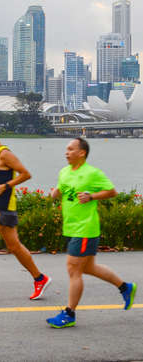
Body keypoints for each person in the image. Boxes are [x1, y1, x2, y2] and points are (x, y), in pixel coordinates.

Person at [46, 137, 137, 328]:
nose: (66, 152)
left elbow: (112, 191)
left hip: (85, 228)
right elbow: (61, 190)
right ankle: (125, 287)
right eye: (66, 149)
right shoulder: (64, 172)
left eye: (71, 149)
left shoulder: (92, 173)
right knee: (88, 268)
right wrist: (55, 193)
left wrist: (92, 196)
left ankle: (69, 314)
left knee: (73, 269)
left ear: (82, 153)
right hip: (71, 227)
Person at [0, 123, 51, 301]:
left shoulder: (5, 154)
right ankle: (40, 278)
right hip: (0, 207)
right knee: (14, 246)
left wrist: (5, 186)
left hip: (2, 207)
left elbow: (25, 174)